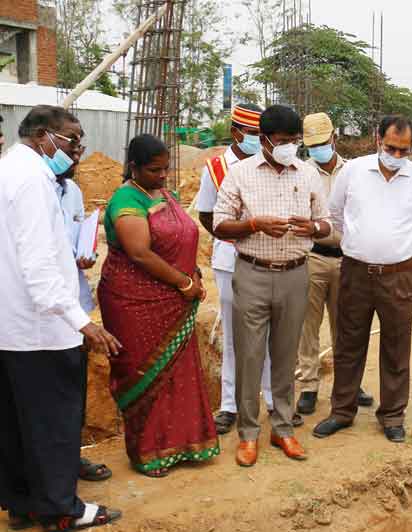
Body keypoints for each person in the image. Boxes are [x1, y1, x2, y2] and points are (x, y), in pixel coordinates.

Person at [0, 105, 121, 532]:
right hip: (42, 329)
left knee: (17, 424)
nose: (78, 148)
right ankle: (59, 509)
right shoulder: (32, 180)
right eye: (72, 138)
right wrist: (81, 321)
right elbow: (39, 265)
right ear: (42, 136)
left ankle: (22, 504)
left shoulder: (10, 170)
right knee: (53, 423)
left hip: (11, 326)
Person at [313, 115, 412, 443]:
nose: (396, 156)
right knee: (348, 344)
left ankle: (392, 415)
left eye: (404, 150)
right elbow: (335, 214)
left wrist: (402, 250)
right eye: (391, 148)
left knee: (397, 347)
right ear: (377, 140)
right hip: (355, 272)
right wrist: (359, 241)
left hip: (399, 276)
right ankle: (342, 411)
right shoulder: (354, 171)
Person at [214, 105, 332, 466]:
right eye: (282, 141)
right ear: (263, 140)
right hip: (252, 272)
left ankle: (283, 428)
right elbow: (219, 225)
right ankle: (248, 434)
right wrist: (254, 225)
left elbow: (326, 223)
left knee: (285, 355)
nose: (289, 147)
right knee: (249, 355)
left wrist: (311, 228)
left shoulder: (308, 173)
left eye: (294, 141)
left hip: (296, 273)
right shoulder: (240, 174)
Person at [98, 134, 219, 478]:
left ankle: (184, 444)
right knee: (145, 374)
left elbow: (182, 236)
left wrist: (191, 276)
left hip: (174, 299)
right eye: (155, 170)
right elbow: (139, 252)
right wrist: (184, 283)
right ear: (133, 167)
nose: (163, 175)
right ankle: (148, 452)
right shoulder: (126, 201)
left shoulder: (164, 194)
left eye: (166, 169)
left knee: (177, 373)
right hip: (135, 303)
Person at [196, 103, 275, 435]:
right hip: (230, 260)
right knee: (232, 333)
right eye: (256, 135)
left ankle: (272, 400)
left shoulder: (268, 163)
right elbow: (205, 214)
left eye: (263, 135)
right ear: (237, 133)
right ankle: (229, 405)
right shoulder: (215, 168)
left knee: (271, 332)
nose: (261, 141)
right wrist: (232, 234)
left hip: (268, 258)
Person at [295, 112, 373, 415]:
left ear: (334, 139)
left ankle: (349, 383)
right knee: (307, 326)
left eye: (322, 143)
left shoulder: (355, 172)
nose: (318, 149)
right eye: (312, 144)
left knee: (348, 326)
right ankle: (310, 386)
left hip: (347, 260)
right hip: (312, 256)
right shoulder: (300, 172)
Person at [55, 140, 113, 483]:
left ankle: (70, 458)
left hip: (71, 304)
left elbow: (77, 238)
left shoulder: (73, 190)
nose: (77, 158)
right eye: (72, 150)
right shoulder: (23, 187)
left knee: (73, 385)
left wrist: (85, 254)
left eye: (80, 151)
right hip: (33, 310)